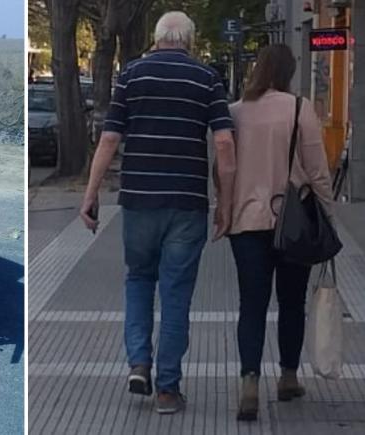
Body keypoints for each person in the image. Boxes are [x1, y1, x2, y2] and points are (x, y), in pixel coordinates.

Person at [80, 11, 237, 414]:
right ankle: (168, 389)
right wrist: (226, 202)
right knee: (176, 295)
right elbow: (223, 144)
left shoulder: (131, 75)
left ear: (156, 37)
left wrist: (91, 193)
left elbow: (110, 137)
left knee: (138, 280)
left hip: (139, 201)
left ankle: (138, 363)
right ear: (190, 38)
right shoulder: (207, 79)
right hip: (187, 204)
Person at [223, 44, 334, 421]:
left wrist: (224, 212)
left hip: (245, 223)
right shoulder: (300, 108)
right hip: (293, 224)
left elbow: (223, 169)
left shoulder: (234, 113)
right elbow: (317, 168)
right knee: (291, 302)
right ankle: (288, 376)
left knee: (251, 305)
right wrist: (328, 213)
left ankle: (249, 382)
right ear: (287, 72)